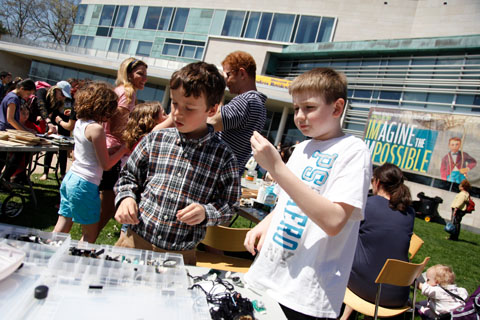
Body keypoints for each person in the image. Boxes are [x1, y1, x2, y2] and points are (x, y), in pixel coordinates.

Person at [243, 67, 372, 320]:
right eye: (296, 108)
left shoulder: (353, 150)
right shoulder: (302, 149)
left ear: (337, 108)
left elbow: (334, 221)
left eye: (309, 108)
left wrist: (277, 167)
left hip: (307, 293)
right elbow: (288, 201)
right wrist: (265, 224)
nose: (300, 116)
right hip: (267, 275)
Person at [114, 62, 241, 265]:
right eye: (174, 103)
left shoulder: (223, 157)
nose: (177, 113)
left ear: (212, 110)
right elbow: (128, 176)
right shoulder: (156, 139)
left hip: (179, 256)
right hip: (134, 243)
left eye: (189, 108)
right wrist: (126, 198)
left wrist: (206, 212)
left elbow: (230, 204)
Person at [154, 51, 267, 177]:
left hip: (209, 171)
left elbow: (207, 124)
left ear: (242, 73)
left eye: (228, 75)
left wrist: (213, 87)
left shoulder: (246, 101)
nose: (226, 81)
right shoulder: (260, 106)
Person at [53, 82, 127, 243]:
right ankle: (79, 261)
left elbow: (90, 153)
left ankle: (46, 253)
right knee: (89, 235)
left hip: (71, 178)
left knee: (63, 222)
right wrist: (123, 149)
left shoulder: (80, 123)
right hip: (84, 184)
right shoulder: (96, 129)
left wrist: (110, 151)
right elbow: (106, 165)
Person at [340, 163, 415, 320]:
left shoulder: (368, 204)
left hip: (364, 288)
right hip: (397, 295)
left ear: (377, 182)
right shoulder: (410, 212)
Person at [97, 58, 148, 237]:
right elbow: (118, 128)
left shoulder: (119, 90)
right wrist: (135, 138)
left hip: (109, 147)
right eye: (140, 73)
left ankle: (86, 240)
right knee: (107, 206)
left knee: (105, 204)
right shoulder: (128, 92)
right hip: (115, 150)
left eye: (145, 74)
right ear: (128, 73)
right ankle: (86, 243)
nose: (145, 78)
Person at [0, 79, 37, 189]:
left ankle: (4, 180)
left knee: (4, 158)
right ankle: (4, 179)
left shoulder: (13, 96)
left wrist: (26, 129)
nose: (28, 96)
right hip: (6, 132)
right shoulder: (13, 98)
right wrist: (25, 131)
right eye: (28, 93)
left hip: (6, 131)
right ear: (21, 88)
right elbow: (10, 119)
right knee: (10, 156)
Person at [35, 80, 72, 180]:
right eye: (62, 94)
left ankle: (62, 173)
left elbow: (54, 113)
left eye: (65, 96)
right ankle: (45, 172)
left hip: (58, 127)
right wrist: (49, 122)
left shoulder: (59, 101)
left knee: (63, 151)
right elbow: (41, 106)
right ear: (56, 90)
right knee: (49, 150)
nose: (63, 98)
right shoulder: (42, 92)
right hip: (36, 122)